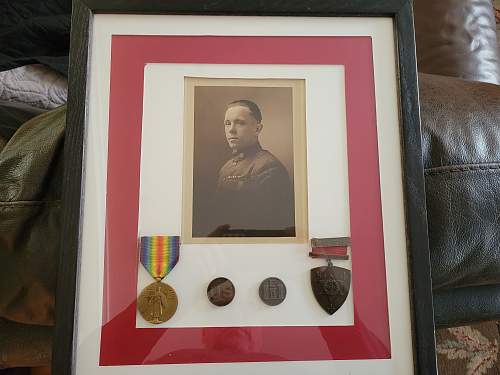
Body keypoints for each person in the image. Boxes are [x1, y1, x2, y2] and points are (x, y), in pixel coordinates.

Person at [212, 99, 295, 237]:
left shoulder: (269, 168)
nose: (231, 129)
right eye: (227, 123)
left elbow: (271, 227)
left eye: (240, 123)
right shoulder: (225, 168)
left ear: (257, 129)